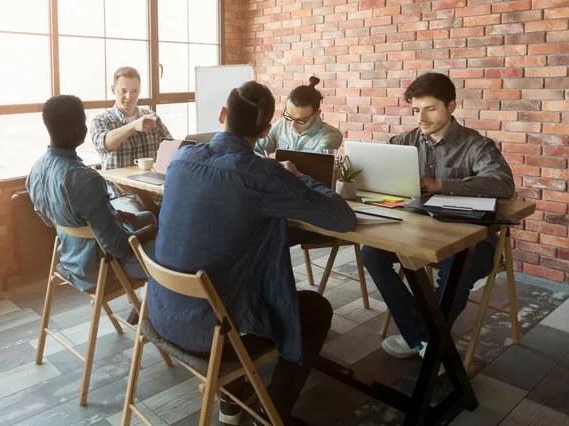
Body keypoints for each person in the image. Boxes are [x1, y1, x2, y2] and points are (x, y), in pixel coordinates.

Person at [147, 81, 357, 426]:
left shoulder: (182, 157)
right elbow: (342, 218)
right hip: (215, 335)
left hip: (162, 312)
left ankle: (231, 404)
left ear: (222, 115)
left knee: (224, 272)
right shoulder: (262, 174)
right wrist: (300, 177)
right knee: (316, 308)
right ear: (265, 131)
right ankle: (271, 413)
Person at [361, 72, 515, 361]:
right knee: (371, 253)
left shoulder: (476, 145)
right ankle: (426, 339)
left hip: (472, 237)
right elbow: (378, 180)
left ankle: (424, 339)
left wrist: (441, 185)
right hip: (414, 232)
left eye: (430, 109)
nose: (422, 117)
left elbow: (504, 185)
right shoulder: (403, 141)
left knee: (456, 269)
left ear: (452, 106)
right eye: (416, 109)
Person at [27, 95, 158, 294]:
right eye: (84, 121)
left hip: (70, 257)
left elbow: (47, 219)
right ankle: (152, 318)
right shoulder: (87, 179)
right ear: (79, 129)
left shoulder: (35, 170)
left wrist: (111, 216)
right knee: (175, 255)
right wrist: (152, 231)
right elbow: (119, 246)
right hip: (102, 267)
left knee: (148, 216)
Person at [90, 66, 172, 201]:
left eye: (134, 91)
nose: (129, 97)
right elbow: (104, 144)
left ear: (140, 91)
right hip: (120, 196)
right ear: (113, 90)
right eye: (123, 91)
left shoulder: (150, 116)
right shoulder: (102, 120)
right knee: (144, 217)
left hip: (155, 193)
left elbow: (170, 147)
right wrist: (133, 126)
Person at [255, 76, 342, 156]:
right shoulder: (283, 124)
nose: (292, 124)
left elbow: (313, 168)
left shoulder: (331, 135)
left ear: (317, 113)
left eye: (300, 120)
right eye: (289, 116)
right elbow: (255, 149)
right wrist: (263, 161)